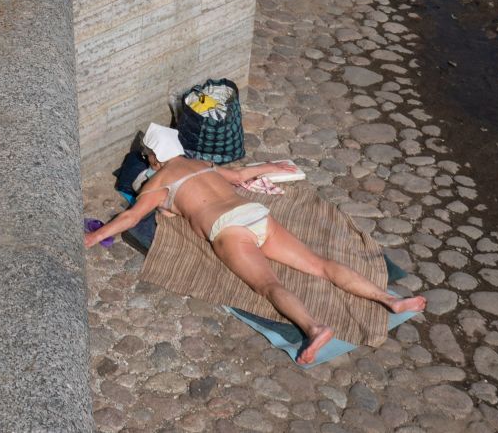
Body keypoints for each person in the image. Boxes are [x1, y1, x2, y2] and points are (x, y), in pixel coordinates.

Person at [85, 125, 426, 366]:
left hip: (229, 229)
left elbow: (130, 218)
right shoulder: (203, 165)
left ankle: (314, 328)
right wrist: (274, 167)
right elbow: (242, 175)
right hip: (254, 213)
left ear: (155, 159)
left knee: (268, 285)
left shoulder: (159, 180)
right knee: (319, 264)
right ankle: (390, 300)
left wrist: (94, 237)